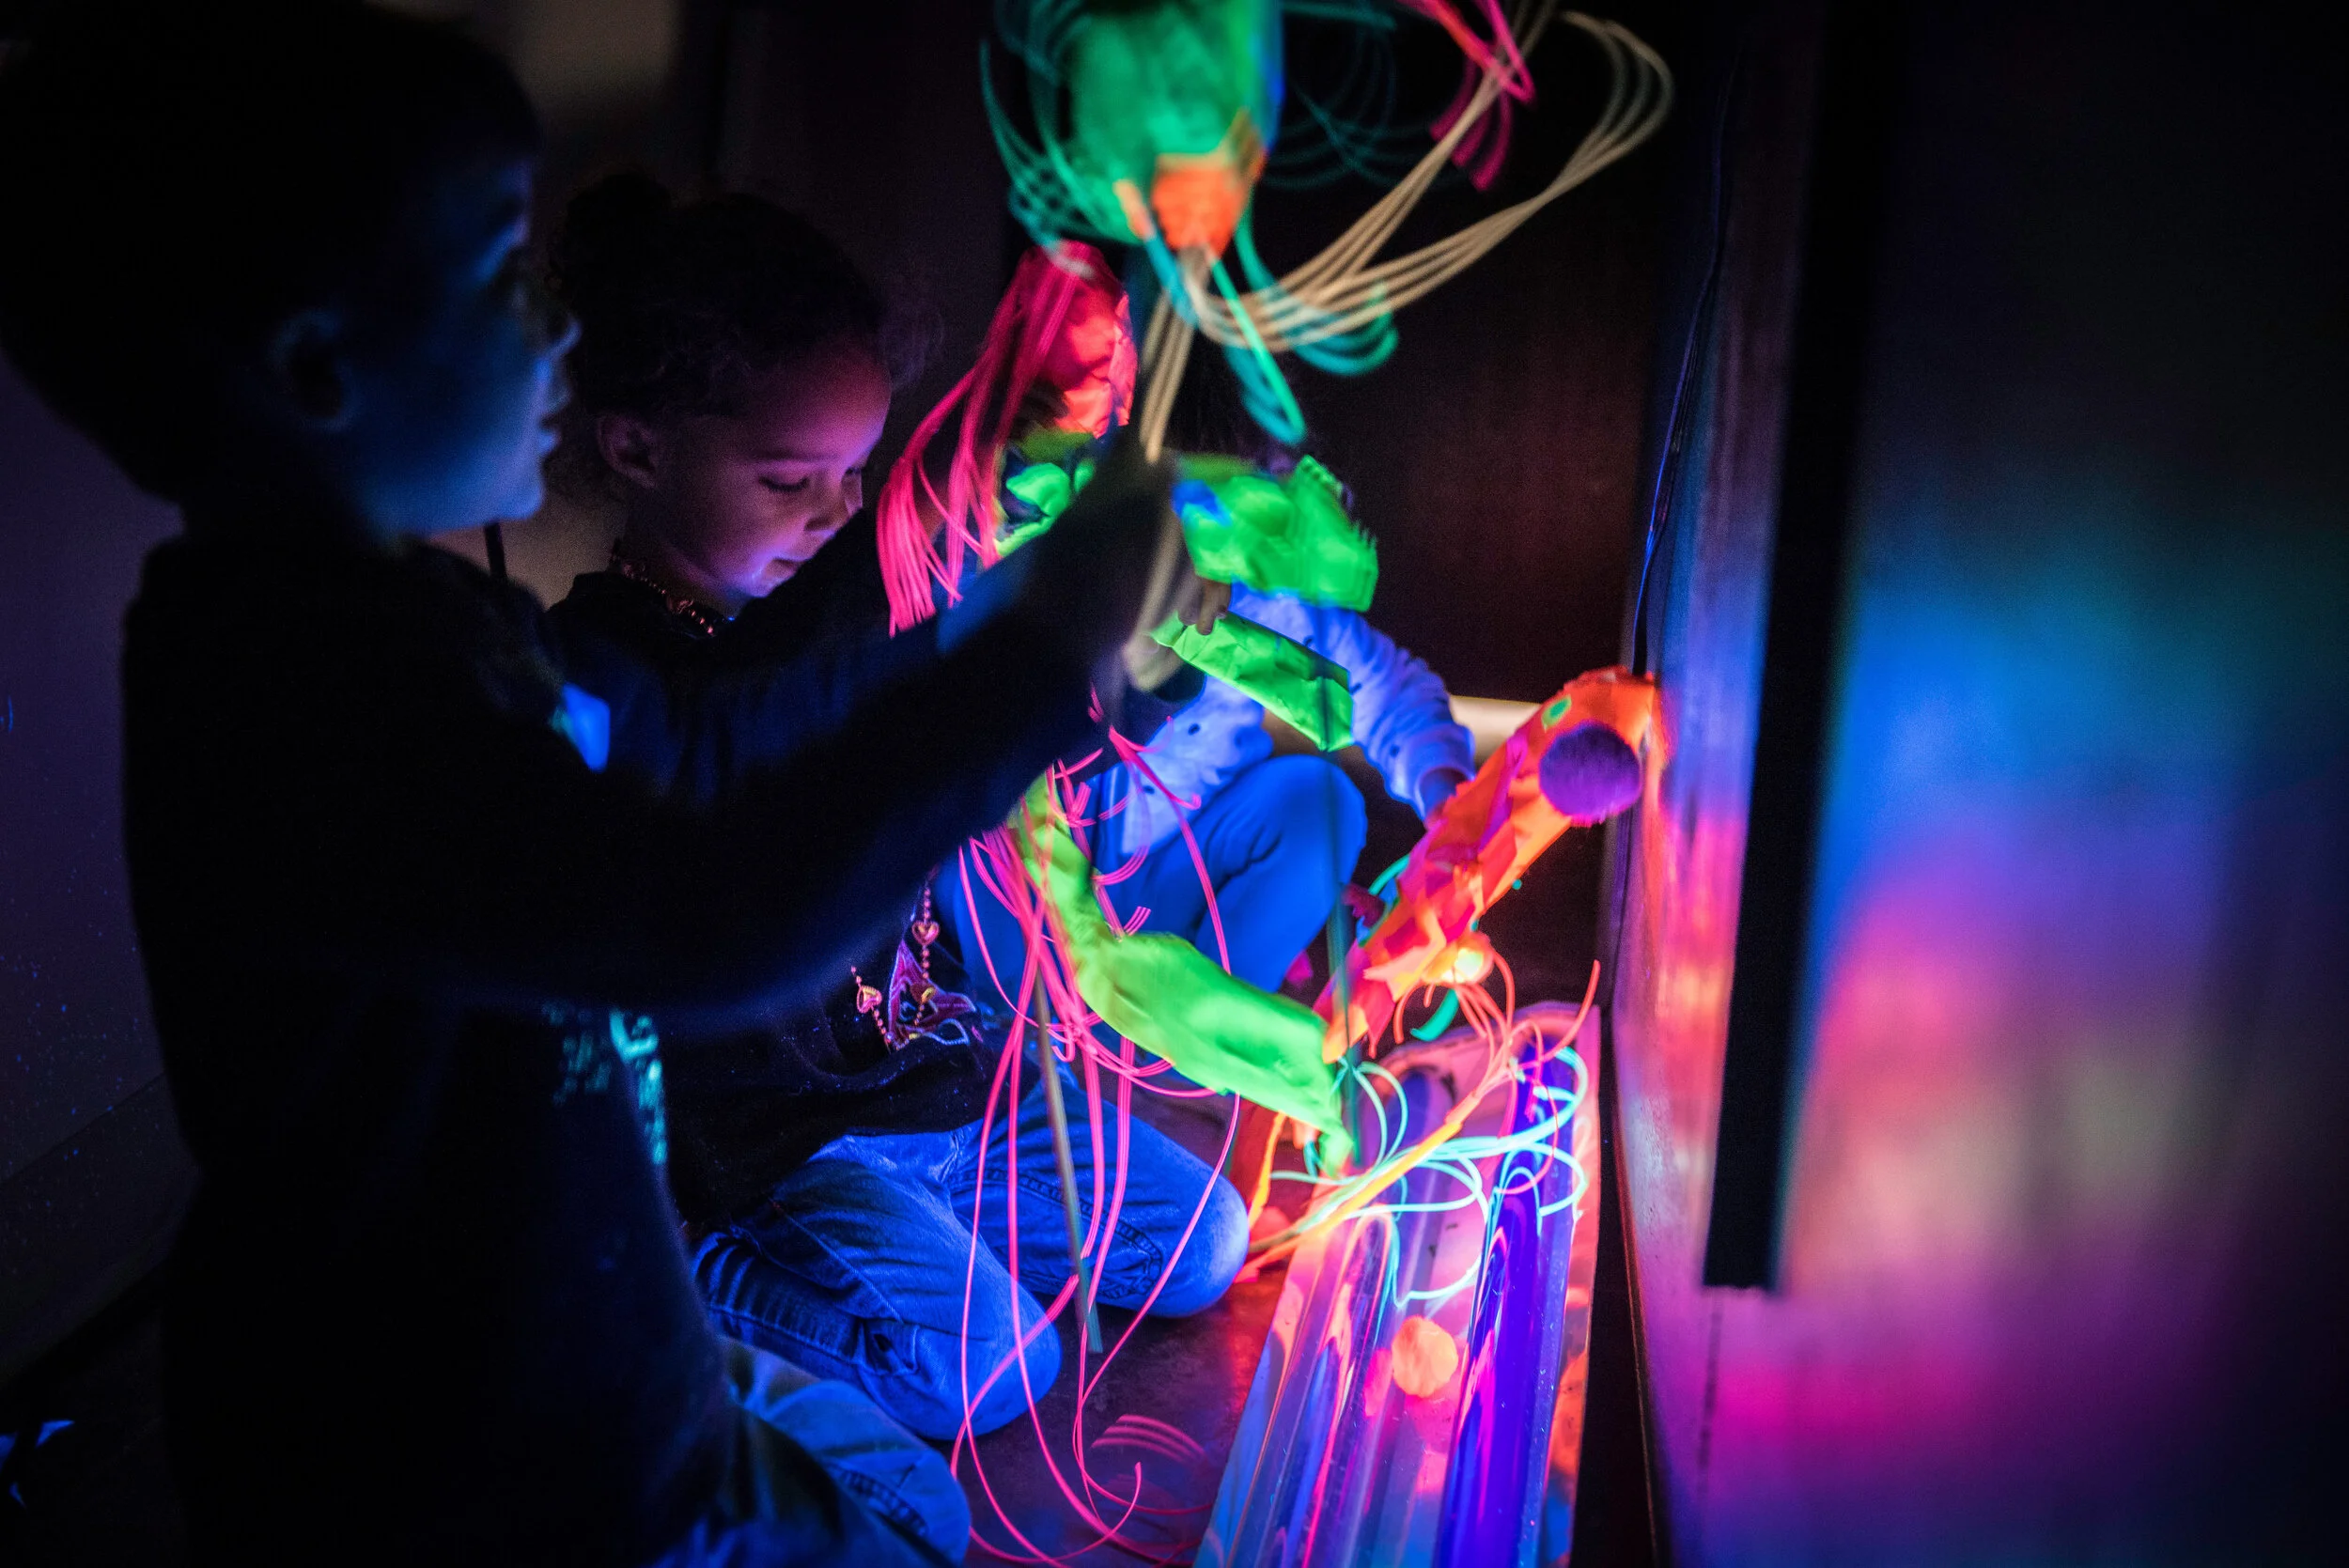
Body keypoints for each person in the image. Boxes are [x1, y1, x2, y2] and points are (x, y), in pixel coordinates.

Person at [0, 5, 1176, 1562]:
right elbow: (706, 920)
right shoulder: (296, 700)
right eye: (502, 279)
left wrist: (995, 631)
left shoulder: (425, 621)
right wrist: (1034, 655)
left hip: (600, 1359)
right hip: (454, 1454)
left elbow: (705, 743)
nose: (559, 333)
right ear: (317, 366)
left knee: (919, 1512)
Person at [542, 175, 1250, 1444]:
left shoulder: (849, 613)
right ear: (638, 450)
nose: (838, 512)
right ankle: (697, 1277)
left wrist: (1132, 662)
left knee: (1204, 1243)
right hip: (778, 1144)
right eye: (788, 480)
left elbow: (976, 737)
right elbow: (749, 702)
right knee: (988, 1370)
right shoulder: (611, 669)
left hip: (940, 1079)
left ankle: (940, 1238)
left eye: (857, 473)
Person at [941, 331, 1477, 1012]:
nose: (1218, 562)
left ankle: (1215, 1029)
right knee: (981, 837)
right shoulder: (1043, 570)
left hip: (1175, 881)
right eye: (1199, 518)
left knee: (1322, 804)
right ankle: (1034, 1030)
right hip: (1036, 902)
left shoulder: (1270, 600)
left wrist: (1450, 810)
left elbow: (1391, 695)